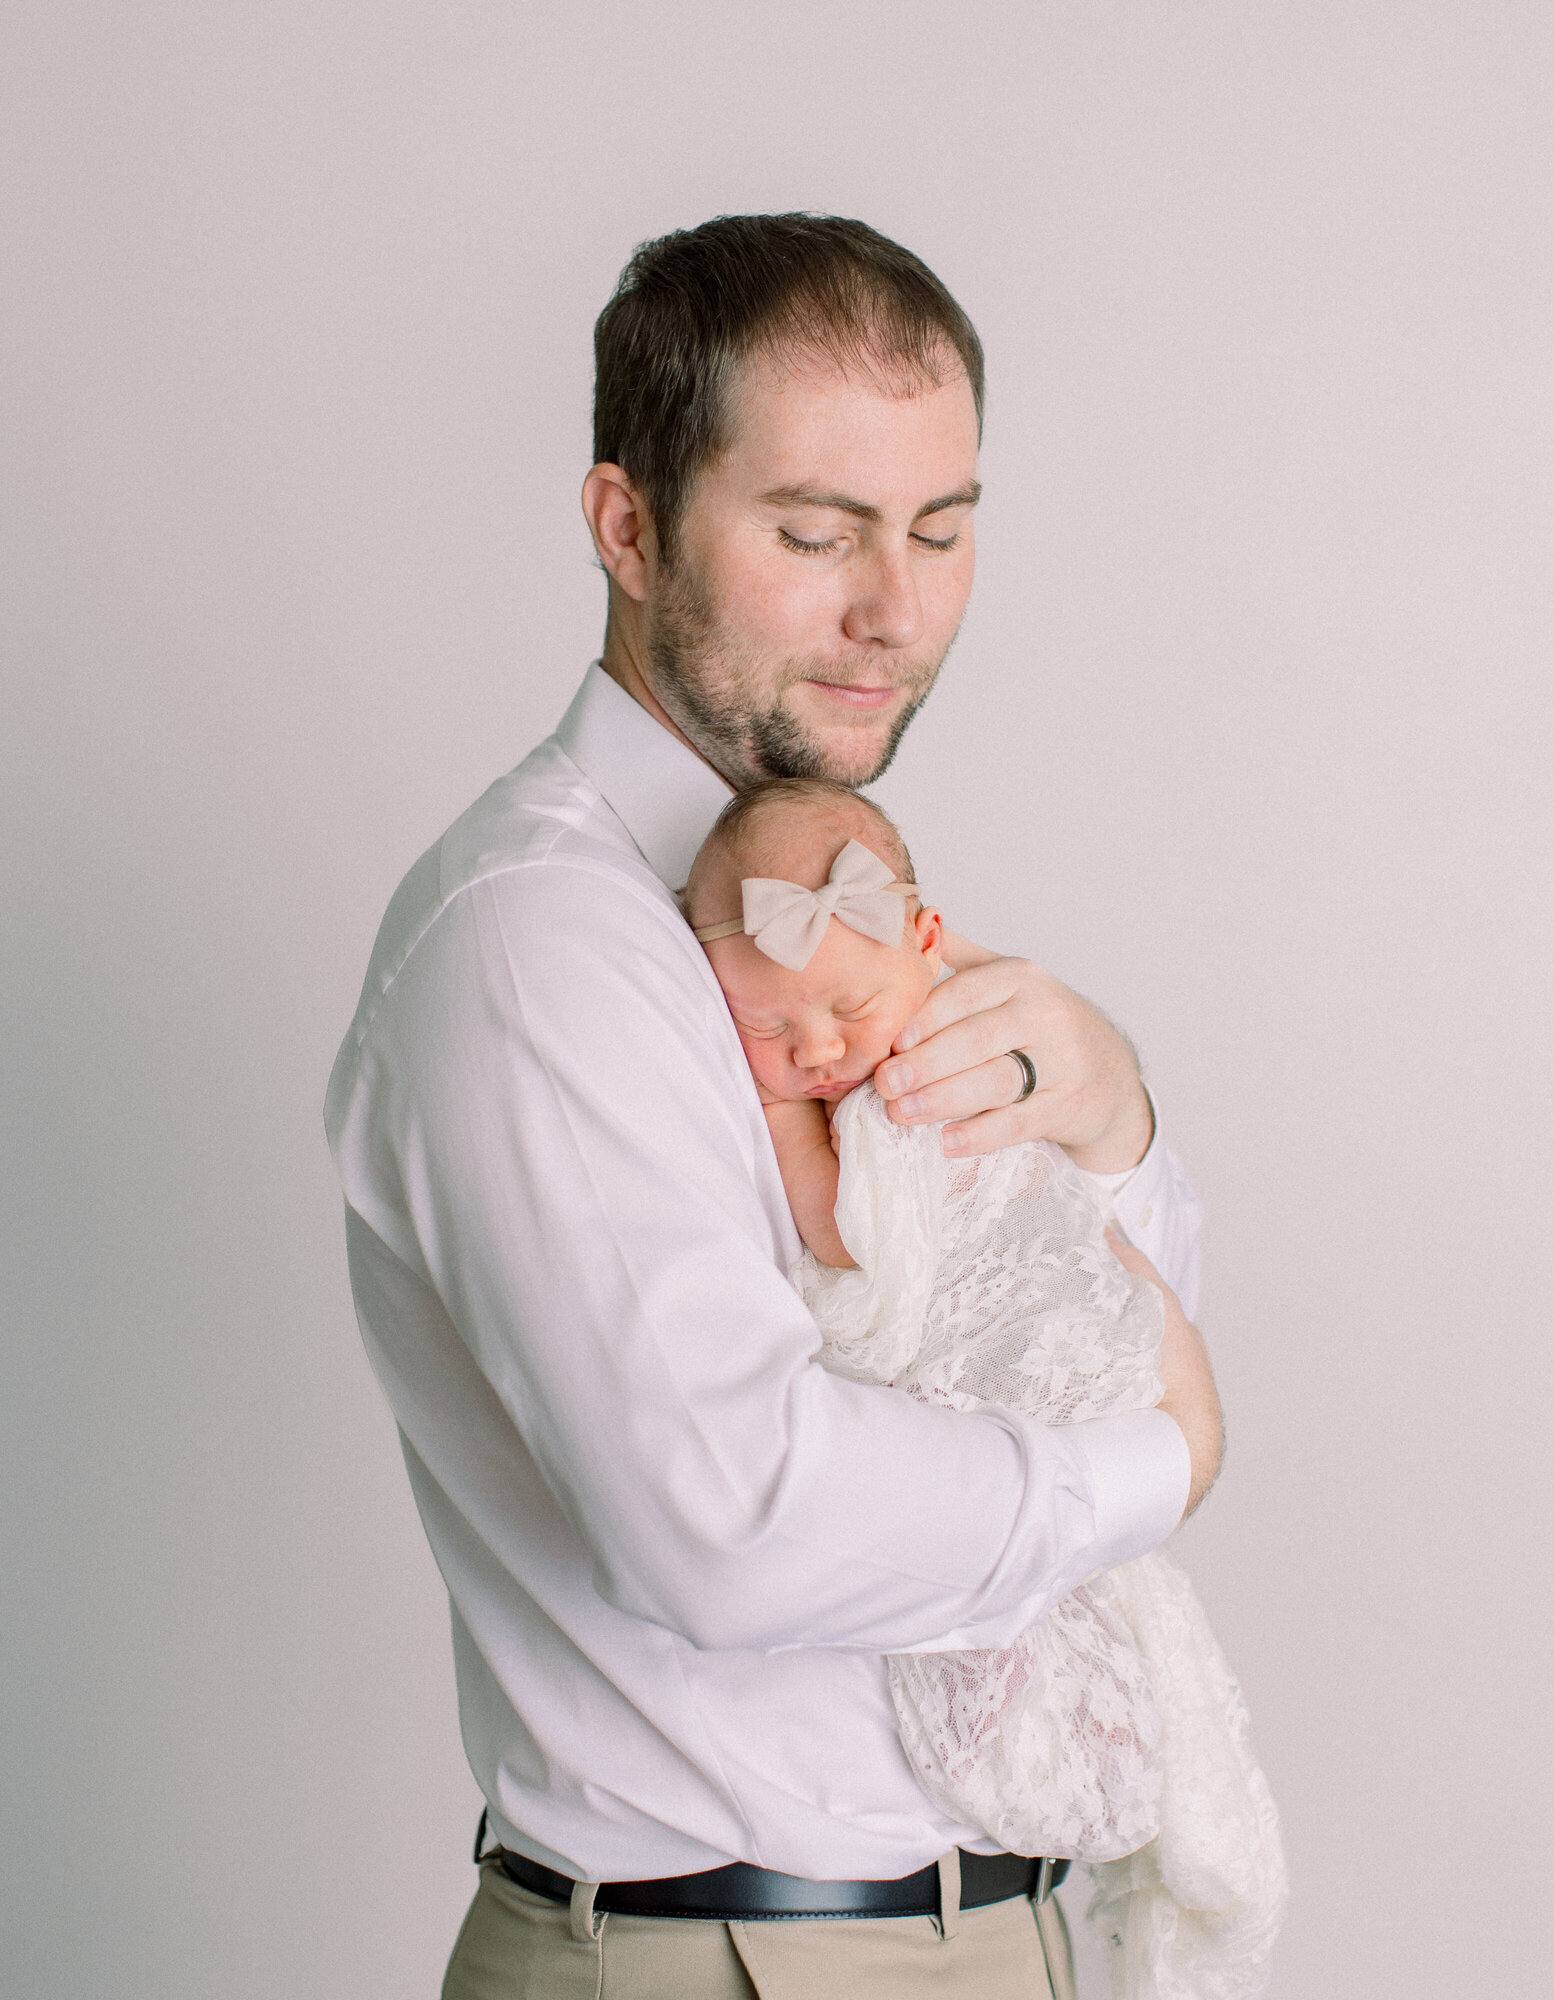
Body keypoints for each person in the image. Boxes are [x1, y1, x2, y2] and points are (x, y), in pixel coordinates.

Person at [325, 212, 1223, 2000]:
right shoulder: (539, 947)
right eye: (817, 534)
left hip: (1005, 1937)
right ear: (629, 526)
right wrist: (1151, 1471)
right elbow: (734, 1517)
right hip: (725, 1961)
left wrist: (1117, 1113)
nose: (892, 609)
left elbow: (1077, 1315)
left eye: (942, 532)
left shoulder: (846, 904)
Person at [685, 778, 1285, 2000]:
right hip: (815, 1898)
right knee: (1009, 1635)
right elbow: (848, 1236)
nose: (818, 1049)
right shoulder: (794, 1102)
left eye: (849, 1004)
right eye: (765, 1023)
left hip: (1051, 1339)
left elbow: (1065, 1222)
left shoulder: (977, 1040)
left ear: (926, 943)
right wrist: (783, 1117)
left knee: (1093, 1611)